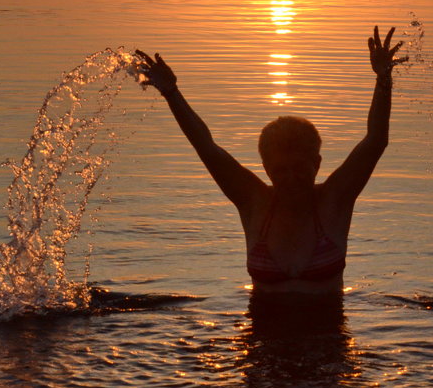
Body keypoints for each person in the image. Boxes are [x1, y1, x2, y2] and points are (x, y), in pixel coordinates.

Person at [134, 26, 407, 294]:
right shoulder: (253, 201)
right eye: (281, 170)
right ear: (266, 168)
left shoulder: (335, 199)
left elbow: (375, 141)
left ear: (317, 164)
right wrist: (171, 93)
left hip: (329, 337)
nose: (290, 178)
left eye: (300, 168)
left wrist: (383, 79)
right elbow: (205, 146)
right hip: (258, 338)